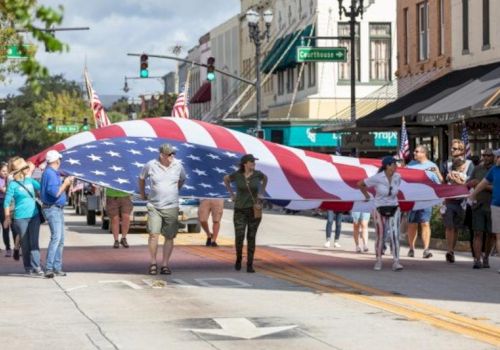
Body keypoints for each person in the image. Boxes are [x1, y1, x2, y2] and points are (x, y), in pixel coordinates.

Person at [139, 143, 186, 275]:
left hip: (171, 206)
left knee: (169, 236)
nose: (172, 156)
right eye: (169, 154)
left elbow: (182, 179)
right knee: (154, 234)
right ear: (162, 155)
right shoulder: (151, 165)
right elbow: (141, 178)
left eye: (173, 153)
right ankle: (153, 262)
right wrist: (142, 194)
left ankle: (165, 264)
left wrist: (174, 191)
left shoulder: (178, 165)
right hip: (154, 205)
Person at [224, 154, 267, 273]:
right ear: (245, 163)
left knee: (251, 237)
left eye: (254, 161)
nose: (254, 163)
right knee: (239, 236)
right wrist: (231, 194)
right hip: (240, 209)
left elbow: (265, 179)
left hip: (253, 210)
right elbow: (226, 179)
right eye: (251, 161)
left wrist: (261, 193)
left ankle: (250, 264)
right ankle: (238, 258)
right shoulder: (237, 175)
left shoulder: (258, 174)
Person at [358, 156, 403, 271]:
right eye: (394, 164)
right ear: (387, 166)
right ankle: (378, 260)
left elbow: (396, 190)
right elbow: (360, 184)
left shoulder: (398, 177)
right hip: (379, 208)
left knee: (395, 235)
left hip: (394, 207)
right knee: (380, 235)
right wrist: (367, 196)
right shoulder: (377, 178)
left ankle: (396, 261)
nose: (396, 166)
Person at [3, 157, 43, 275]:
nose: (27, 169)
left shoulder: (30, 180)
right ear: (19, 170)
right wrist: (7, 217)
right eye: (25, 167)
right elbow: (6, 202)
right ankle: (28, 266)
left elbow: (42, 188)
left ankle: (37, 267)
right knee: (25, 244)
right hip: (20, 218)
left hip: (34, 216)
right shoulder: (13, 184)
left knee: (34, 242)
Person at [41, 150, 74, 278]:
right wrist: (65, 183)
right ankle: (49, 268)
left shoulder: (51, 173)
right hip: (52, 208)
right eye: (59, 159)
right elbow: (54, 193)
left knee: (60, 239)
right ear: (56, 160)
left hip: (56, 208)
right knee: (56, 238)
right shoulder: (50, 173)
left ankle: (56, 267)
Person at [406, 145, 443, 259]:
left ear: (424, 153)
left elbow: (440, 182)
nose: (414, 153)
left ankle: (426, 250)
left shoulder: (431, 166)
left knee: (425, 223)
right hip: (412, 199)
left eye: (417, 151)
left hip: (426, 199)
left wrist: (437, 172)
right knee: (412, 224)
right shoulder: (410, 165)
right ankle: (411, 248)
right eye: (414, 151)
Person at [469, 149, 500, 274]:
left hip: (490, 205)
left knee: (491, 235)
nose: (486, 157)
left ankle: (486, 257)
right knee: (479, 232)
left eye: (490, 155)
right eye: (484, 155)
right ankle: (477, 259)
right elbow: (479, 183)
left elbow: (491, 186)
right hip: (482, 206)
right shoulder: (478, 169)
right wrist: (472, 193)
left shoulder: (494, 168)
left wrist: (482, 186)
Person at [442, 157, 468, 263]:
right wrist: (454, 178)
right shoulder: (450, 174)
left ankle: (452, 250)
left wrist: (460, 182)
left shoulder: (464, 175)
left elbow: (463, 183)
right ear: (458, 166)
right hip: (449, 203)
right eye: (462, 166)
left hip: (460, 203)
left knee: (456, 228)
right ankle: (449, 250)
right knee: (450, 227)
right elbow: (449, 180)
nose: (464, 168)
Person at [0, 162, 13, 257]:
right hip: (1, 203)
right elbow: (5, 190)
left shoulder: (9, 179)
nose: (5, 172)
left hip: (6, 204)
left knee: (6, 227)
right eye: (3, 171)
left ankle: (8, 248)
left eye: (7, 171)